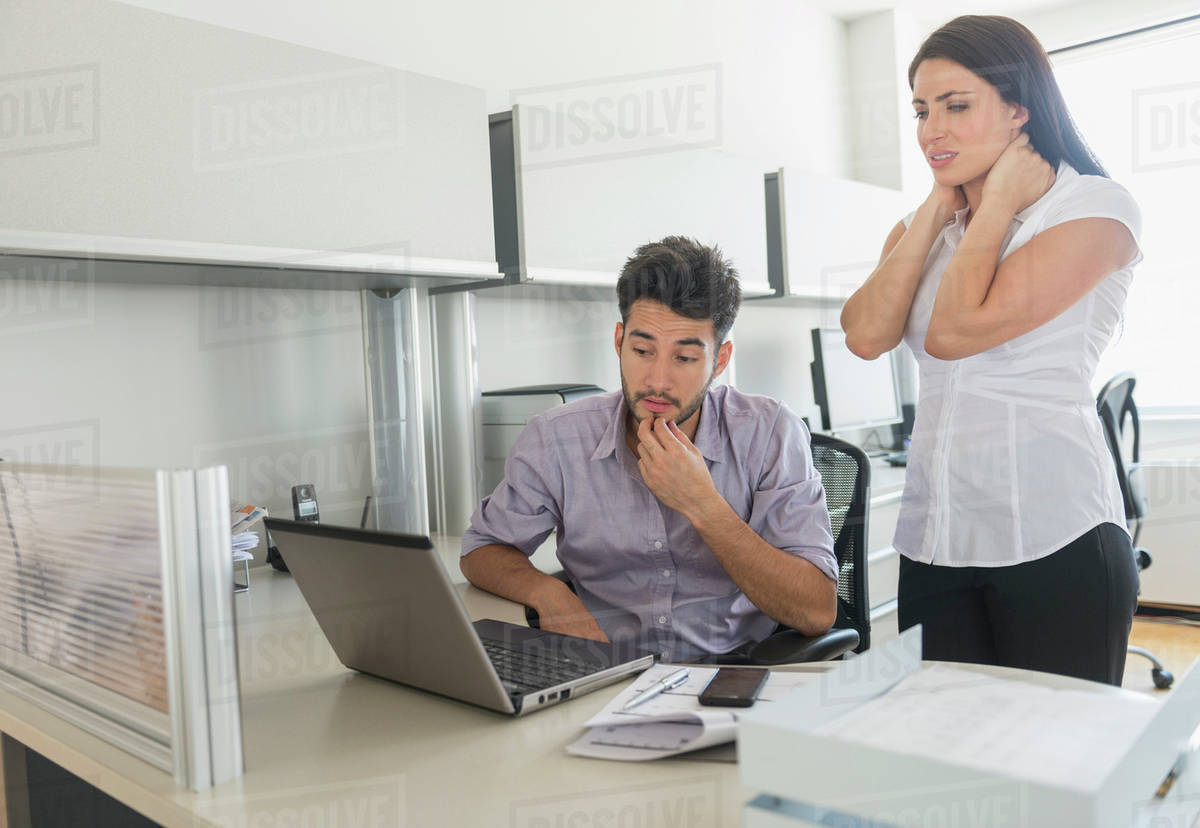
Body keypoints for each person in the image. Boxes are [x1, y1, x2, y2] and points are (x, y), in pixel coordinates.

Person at [841, 15, 1141, 685]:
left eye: (956, 106)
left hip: (1053, 535)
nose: (931, 130)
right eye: (921, 110)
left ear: (1018, 111)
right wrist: (937, 207)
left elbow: (952, 334)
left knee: (1058, 767)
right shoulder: (930, 225)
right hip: (936, 539)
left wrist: (1000, 203)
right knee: (951, 761)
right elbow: (864, 335)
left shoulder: (1095, 210)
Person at [461, 236, 837, 663]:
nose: (658, 380)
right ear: (619, 341)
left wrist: (703, 505)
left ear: (720, 359)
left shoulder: (770, 432)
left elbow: (816, 611)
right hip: (603, 676)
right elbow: (481, 551)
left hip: (736, 674)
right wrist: (550, 594)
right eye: (642, 351)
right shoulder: (556, 437)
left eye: (684, 358)